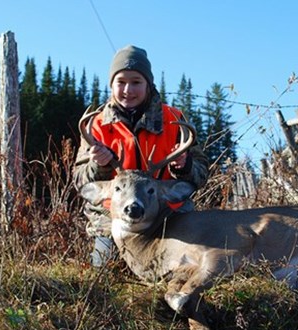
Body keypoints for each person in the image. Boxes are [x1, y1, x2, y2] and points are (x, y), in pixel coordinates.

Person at [73, 45, 209, 266]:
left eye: (136, 82)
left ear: (148, 84)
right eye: (121, 82)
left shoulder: (173, 119)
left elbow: (201, 175)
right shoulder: (96, 125)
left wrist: (184, 166)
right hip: (113, 218)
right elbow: (80, 180)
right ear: (112, 85)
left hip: (168, 216)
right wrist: (99, 166)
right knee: (105, 269)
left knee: (187, 266)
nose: (128, 90)